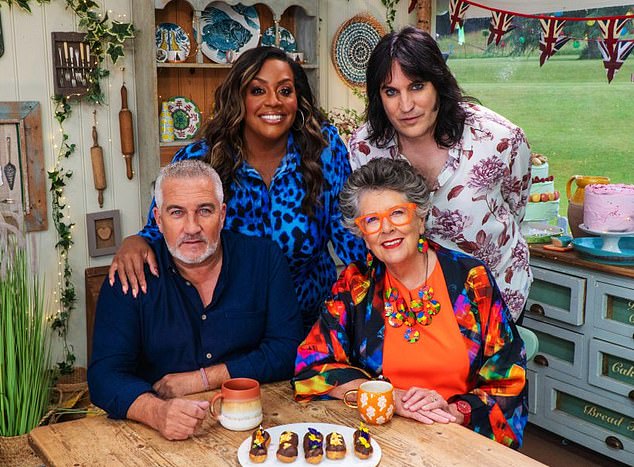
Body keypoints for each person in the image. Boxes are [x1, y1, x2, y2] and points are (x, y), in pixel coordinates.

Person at [109, 46, 365, 332]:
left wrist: (383, 283)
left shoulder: (324, 149)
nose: (273, 102)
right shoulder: (201, 159)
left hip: (310, 323)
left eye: (285, 91)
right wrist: (135, 241)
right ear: (238, 98)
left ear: (298, 99)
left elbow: (349, 234)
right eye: (258, 91)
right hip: (231, 327)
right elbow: (164, 230)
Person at [293, 158, 528, 449]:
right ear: (362, 234)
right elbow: (311, 367)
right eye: (372, 220)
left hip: (458, 439)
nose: (386, 228)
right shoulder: (356, 285)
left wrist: (457, 411)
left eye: (398, 213)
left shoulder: (470, 279)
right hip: (383, 440)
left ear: (421, 217)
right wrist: (387, 396)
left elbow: (508, 378)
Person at [89, 160, 303, 440]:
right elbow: (104, 376)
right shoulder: (132, 275)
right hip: (155, 435)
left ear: (223, 215)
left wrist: (203, 378)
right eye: (177, 212)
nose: (192, 227)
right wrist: (156, 412)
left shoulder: (264, 260)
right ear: (158, 219)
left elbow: (288, 350)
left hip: (257, 423)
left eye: (204, 210)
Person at [348, 27, 532, 321]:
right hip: (414, 308)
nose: (405, 105)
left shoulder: (500, 139)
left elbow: (516, 206)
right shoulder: (365, 147)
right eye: (391, 91)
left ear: (438, 83)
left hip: (495, 300)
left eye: (417, 86)